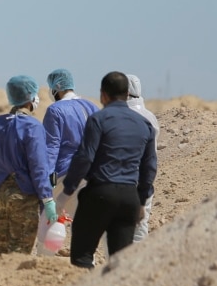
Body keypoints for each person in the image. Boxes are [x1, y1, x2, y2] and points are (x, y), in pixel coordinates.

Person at [61, 71, 157, 269]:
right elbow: (149, 167)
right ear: (126, 94)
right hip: (130, 197)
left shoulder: (99, 120)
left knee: (82, 257)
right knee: (120, 263)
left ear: (103, 95)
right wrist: (142, 199)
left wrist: (67, 190)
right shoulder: (144, 123)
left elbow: (85, 157)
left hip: (100, 194)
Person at [0, 75, 57, 255]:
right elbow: (39, 167)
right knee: (18, 252)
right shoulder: (33, 127)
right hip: (23, 197)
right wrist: (47, 199)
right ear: (30, 99)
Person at [37, 68, 99, 255]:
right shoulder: (92, 107)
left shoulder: (56, 110)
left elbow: (51, 148)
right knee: (86, 229)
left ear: (57, 88)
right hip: (93, 175)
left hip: (66, 175)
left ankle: (42, 268)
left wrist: (47, 182)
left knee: (48, 225)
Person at [125, 74, 160, 242]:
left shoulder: (118, 116)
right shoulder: (150, 117)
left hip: (122, 182)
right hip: (144, 184)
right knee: (139, 232)